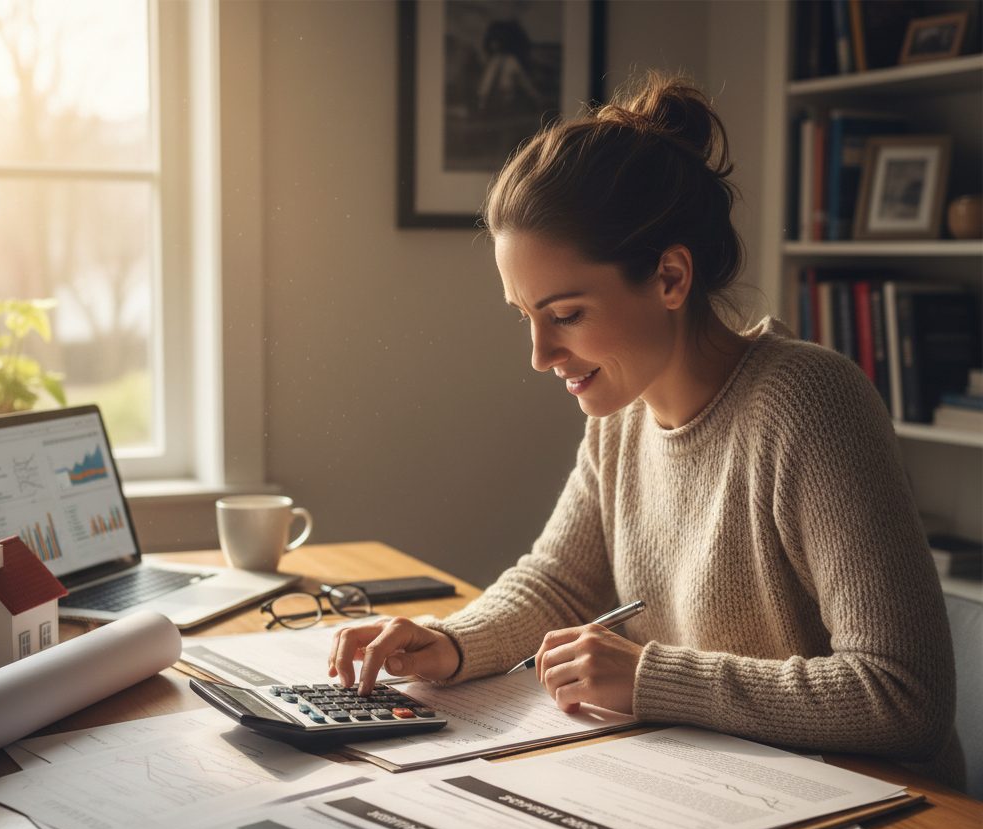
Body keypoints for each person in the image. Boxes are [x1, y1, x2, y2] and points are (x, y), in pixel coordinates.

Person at [329, 71, 959, 785]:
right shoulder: (621, 415)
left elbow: (905, 697)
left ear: (669, 278)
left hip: (877, 818)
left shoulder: (809, 405)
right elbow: (559, 583)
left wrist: (652, 679)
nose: (540, 357)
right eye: (526, 318)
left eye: (565, 315)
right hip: (716, 783)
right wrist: (448, 642)